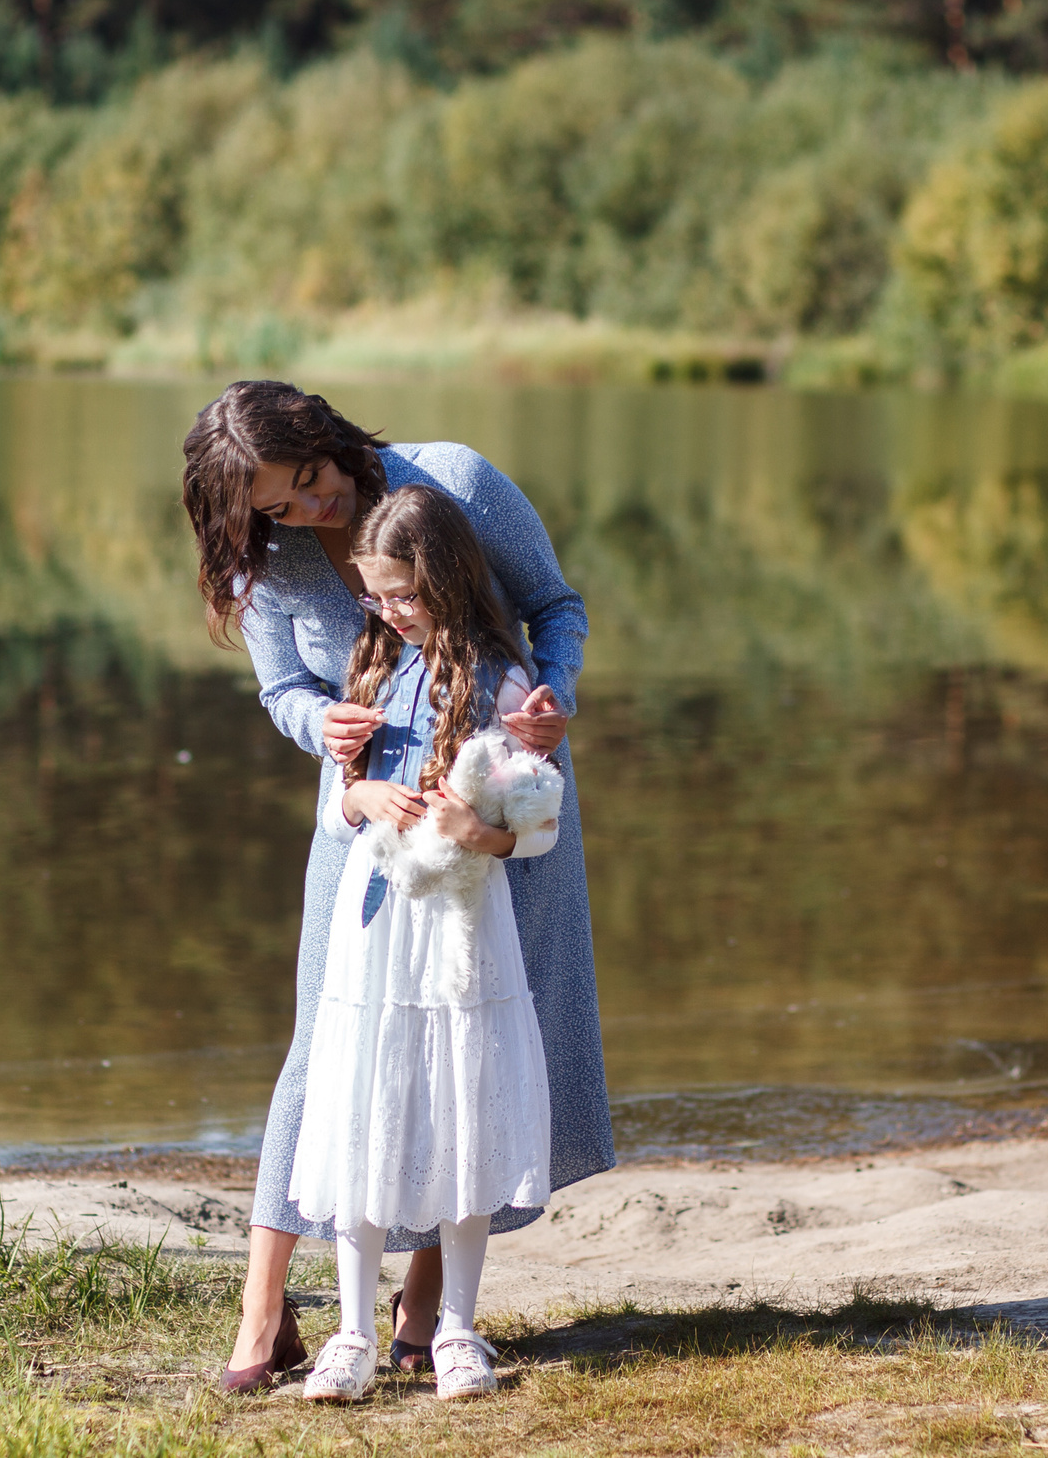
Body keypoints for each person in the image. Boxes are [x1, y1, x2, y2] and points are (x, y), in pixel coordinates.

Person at [179, 381, 613, 1394]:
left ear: (327, 440)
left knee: (474, 1031)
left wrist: (550, 701)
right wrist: (315, 729)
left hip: (492, 799)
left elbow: (554, 606)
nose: (309, 510)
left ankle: (425, 1312)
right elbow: (284, 687)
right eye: (281, 506)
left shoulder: (449, 482)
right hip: (368, 812)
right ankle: (264, 1315)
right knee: (325, 1042)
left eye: (315, 482)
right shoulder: (268, 559)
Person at [291, 485, 560, 1403]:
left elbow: (539, 823)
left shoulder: (506, 680)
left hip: (461, 927)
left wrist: (480, 830)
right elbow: (340, 807)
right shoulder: (372, 666)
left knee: (460, 1102)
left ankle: (456, 1328)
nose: (390, 612)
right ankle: (354, 1332)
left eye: (403, 594)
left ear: (444, 579)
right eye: (377, 596)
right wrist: (359, 795)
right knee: (368, 1097)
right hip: (374, 929)